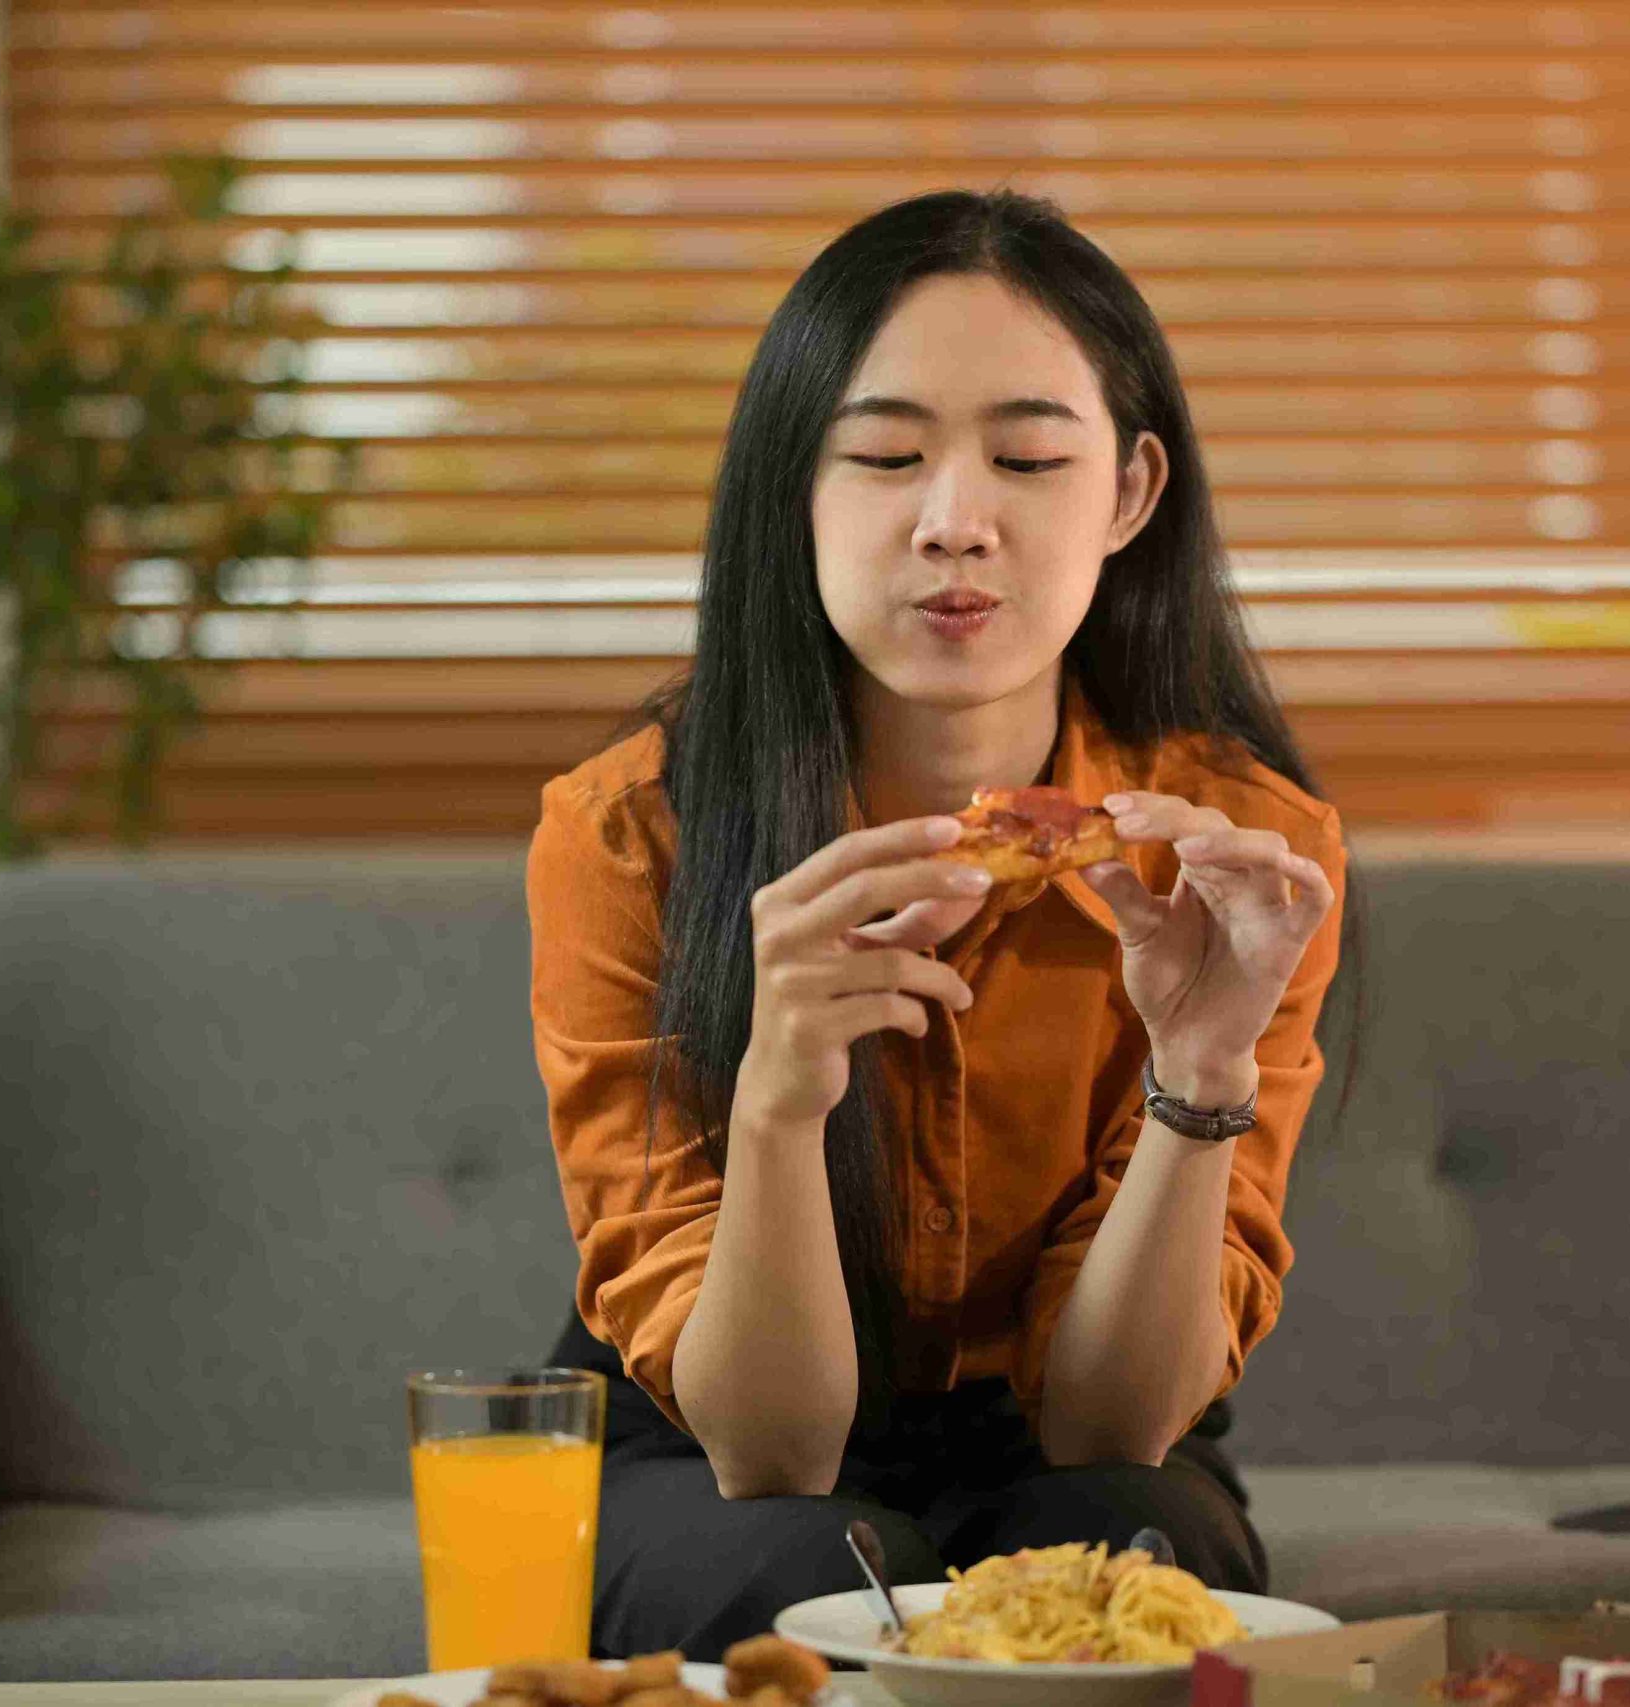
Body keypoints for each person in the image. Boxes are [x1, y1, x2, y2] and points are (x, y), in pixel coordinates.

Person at [525, 186, 1353, 1661]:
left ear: (1130, 493)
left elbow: (1114, 1421)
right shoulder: (626, 831)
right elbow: (769, 1452)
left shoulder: (1250, 855)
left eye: (1030, 458)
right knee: (807, 1556)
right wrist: (778, 1105)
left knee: (1144, 1548)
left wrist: (1201, 1081)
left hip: (1068, 1437)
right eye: (887, 457)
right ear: (798, 489)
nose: (955, 523)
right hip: (711, 1435)